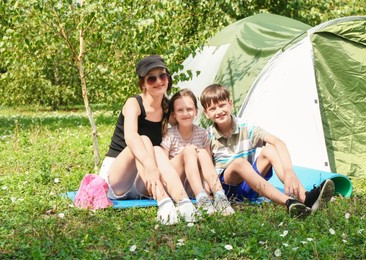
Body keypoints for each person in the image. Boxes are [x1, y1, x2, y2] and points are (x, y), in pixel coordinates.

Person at [199, 84, 335, 218]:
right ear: (206, 114)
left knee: (269, 149)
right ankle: (288, 202)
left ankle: (305, 197)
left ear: (230, 104)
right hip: (226, 189)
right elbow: (207, 165)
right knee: (239, 163)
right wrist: (207, 187)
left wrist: (289, 172)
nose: (218, 111)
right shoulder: (207, 135)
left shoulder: (245, 127)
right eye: (212, 108)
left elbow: (279, 143)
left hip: (251, 184)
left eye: (222, 105)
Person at [99, 55, 198, 225]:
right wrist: (151, 166)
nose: (159, 81)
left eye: (162, 75)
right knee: (144, 140)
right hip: (119, 179)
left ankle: (184, 203)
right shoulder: (134, 104)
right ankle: (164, 203)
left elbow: (185, 131)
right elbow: (130, 136)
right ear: (143, 84)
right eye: (152, 78)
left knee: (158, 149)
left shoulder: (168, 108)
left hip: (146, 182)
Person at [160, 89, 234, 216]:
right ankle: (201, 199)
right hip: (175, 183)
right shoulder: (169, 134)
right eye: (180, 110)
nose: (185, 113)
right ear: (173, 115)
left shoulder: (203, 133)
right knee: (189, 150)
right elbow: (164, 166)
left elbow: (208, 163)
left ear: (196, 112)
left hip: (194, 184)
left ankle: (220, 197)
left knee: (203, 153)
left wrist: (206, 186)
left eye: (189, 109)